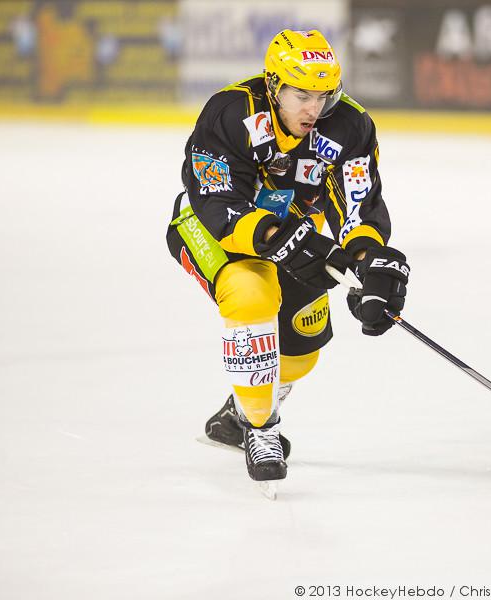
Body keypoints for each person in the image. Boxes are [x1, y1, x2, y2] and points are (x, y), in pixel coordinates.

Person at [165, 29, 410, 484]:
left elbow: (357, 204)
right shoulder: (231, 111)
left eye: (324, 95)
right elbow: (217, 200)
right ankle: (261, 428)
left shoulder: (349, 125)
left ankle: (238, 413)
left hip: (292, 231)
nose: (314, 109)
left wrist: (367, 261)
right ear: (274, 86)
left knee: (302, 344)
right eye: (302, 95)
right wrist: (285, 238)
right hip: (211, 227)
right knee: (251, 294)